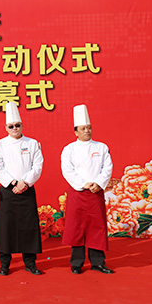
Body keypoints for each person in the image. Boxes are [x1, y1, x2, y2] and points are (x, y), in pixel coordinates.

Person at [0, 102, 43, 276]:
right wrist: (13, 183)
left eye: (17, 125)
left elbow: (37, 166)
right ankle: (5, 264)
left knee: (29, 227)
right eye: (11, 126)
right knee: (6, 227)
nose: (14, 128)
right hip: (8, 190)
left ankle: (30, 263)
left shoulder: (33, 143)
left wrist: (25, 183)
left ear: (22, 125)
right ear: (6, 127)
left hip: (27, 189)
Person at [61, 104, 114, 274]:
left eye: (89, 128)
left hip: (96, 193)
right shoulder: (69, 149)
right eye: (83, 128)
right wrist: (84, 183)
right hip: (78, 193)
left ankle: (98, 262)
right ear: (75, 131)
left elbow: (107, 168)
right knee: (77, 227)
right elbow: (67, 170)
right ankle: (76, 263)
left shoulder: (101, 147)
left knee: (96, 227)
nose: (87, 131)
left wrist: (98, 183)